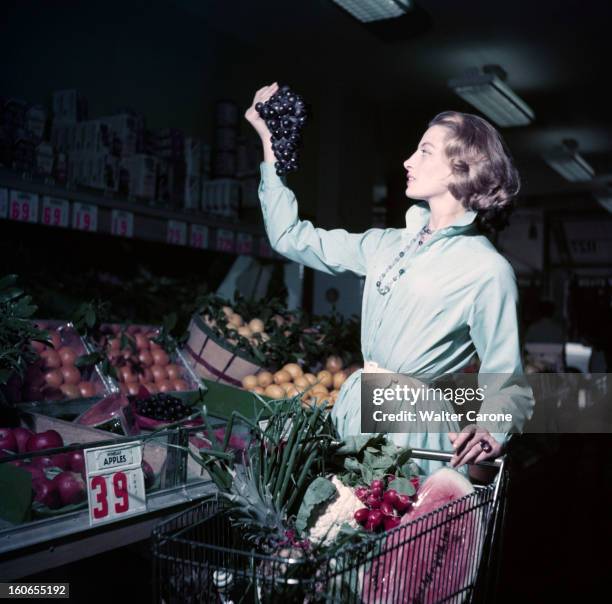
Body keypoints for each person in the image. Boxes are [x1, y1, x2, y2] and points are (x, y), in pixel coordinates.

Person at [245, 82, 534, 474]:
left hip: (414, 433)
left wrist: (493, 429)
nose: (408, 161)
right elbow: (290, 237)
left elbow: (506, 378)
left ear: (463, 167)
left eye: (425, 151)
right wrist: (270, 144)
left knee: (398, 533)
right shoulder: (385, 243)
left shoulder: (487, 270)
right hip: (357, 410)